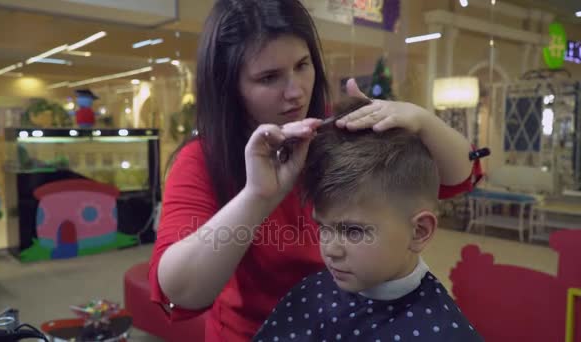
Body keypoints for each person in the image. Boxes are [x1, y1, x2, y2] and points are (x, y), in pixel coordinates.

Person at [148, 0, 482, 341]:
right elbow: (180, 292)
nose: (296, 93)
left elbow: (460, 174)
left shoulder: (332, 130)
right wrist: (258, 196)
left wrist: (421, 120)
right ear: (230, 87)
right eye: (268, 77)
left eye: (302, 65)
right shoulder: (203, 161)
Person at [253, 98, 483, 341]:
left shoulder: (444, 332)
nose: (330, 250)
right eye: (322, 227)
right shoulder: (310, 295)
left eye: (353, 231)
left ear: (419, 231)